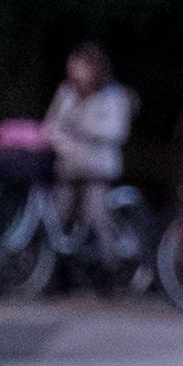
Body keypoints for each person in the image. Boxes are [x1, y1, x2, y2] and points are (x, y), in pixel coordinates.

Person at [42, 44, 136, 262]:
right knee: (62, 216)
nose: (75, 73)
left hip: (99, 168)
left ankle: (109, 264)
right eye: (72, 67)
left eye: (80, 68)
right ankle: (63, 266)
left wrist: (80, 127)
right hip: (68, 166)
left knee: (96, 216)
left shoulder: (114, 95)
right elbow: (52, 128)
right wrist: (69, 143)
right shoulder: (66, 92)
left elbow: (116, 131)